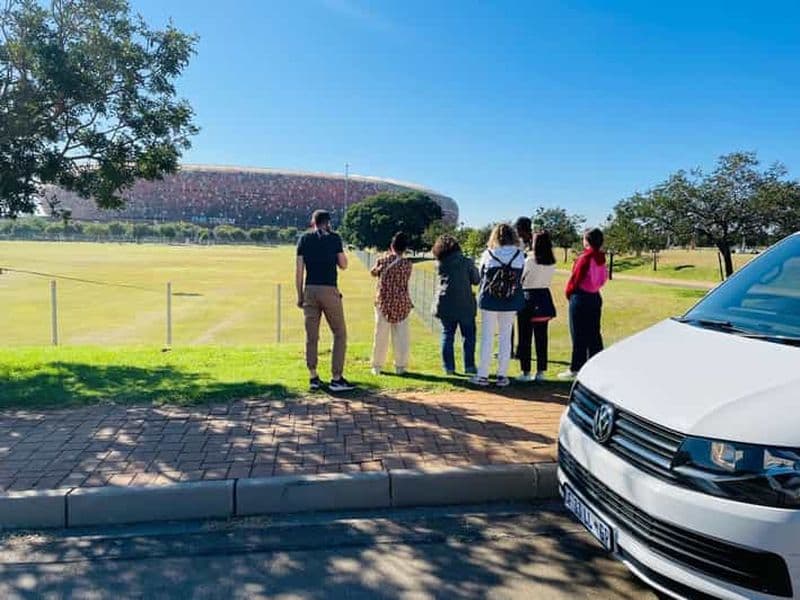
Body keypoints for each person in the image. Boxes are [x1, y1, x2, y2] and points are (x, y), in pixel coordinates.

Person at [295, 209, 355, 392]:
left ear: (313, 222)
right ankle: (336, 378)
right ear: (328, 222)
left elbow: (299, 271)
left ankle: (313, 376)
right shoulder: (334, 238)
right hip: (329, 289)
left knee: (312, 336)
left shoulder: (304, 239)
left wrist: (300, 295)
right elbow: (343, 265)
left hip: (310, 290)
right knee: (339, 333)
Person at [470, 223, 525, 387]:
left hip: (490, 298)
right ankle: (502, 374)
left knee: (487, 336)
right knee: (505, 336)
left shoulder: (489, 254)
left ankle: (483, 374)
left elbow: (481, 275)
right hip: (510, 299)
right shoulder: (519, 255)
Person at [559, 227, 608, 380]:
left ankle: (576, 367)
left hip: (581, 297)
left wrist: (569, 293)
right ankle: (597, 365)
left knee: (578, 334)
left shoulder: (585, 257)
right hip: (594, 296)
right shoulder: (601, 257)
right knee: (594, 333)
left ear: (587, 240)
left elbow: (575, 278)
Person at [432, 234, 480, 375]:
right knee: (469, 336)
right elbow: (476, 280)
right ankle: (469, 366)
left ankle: (449, 368)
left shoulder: (440, 263)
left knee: (447, 335)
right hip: (465, 304)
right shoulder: (466, 262)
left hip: (445, 303)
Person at [370, 232, 413, 375]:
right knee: (401, 336)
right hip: (402, 302)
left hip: (384, 302)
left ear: (391, 246)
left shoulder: (384, 261)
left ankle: (377, 366)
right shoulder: (407, 264)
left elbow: (373, 273)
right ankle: (400, 366)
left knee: (381, 335)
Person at [516, 231, 557, 382]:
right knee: (542, 338)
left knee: (525, 337)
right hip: (544, 297)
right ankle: (541, 372)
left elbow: (521, 278)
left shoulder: (530, 260)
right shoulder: (552, 261)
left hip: (528, 297)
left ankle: (526, 371)